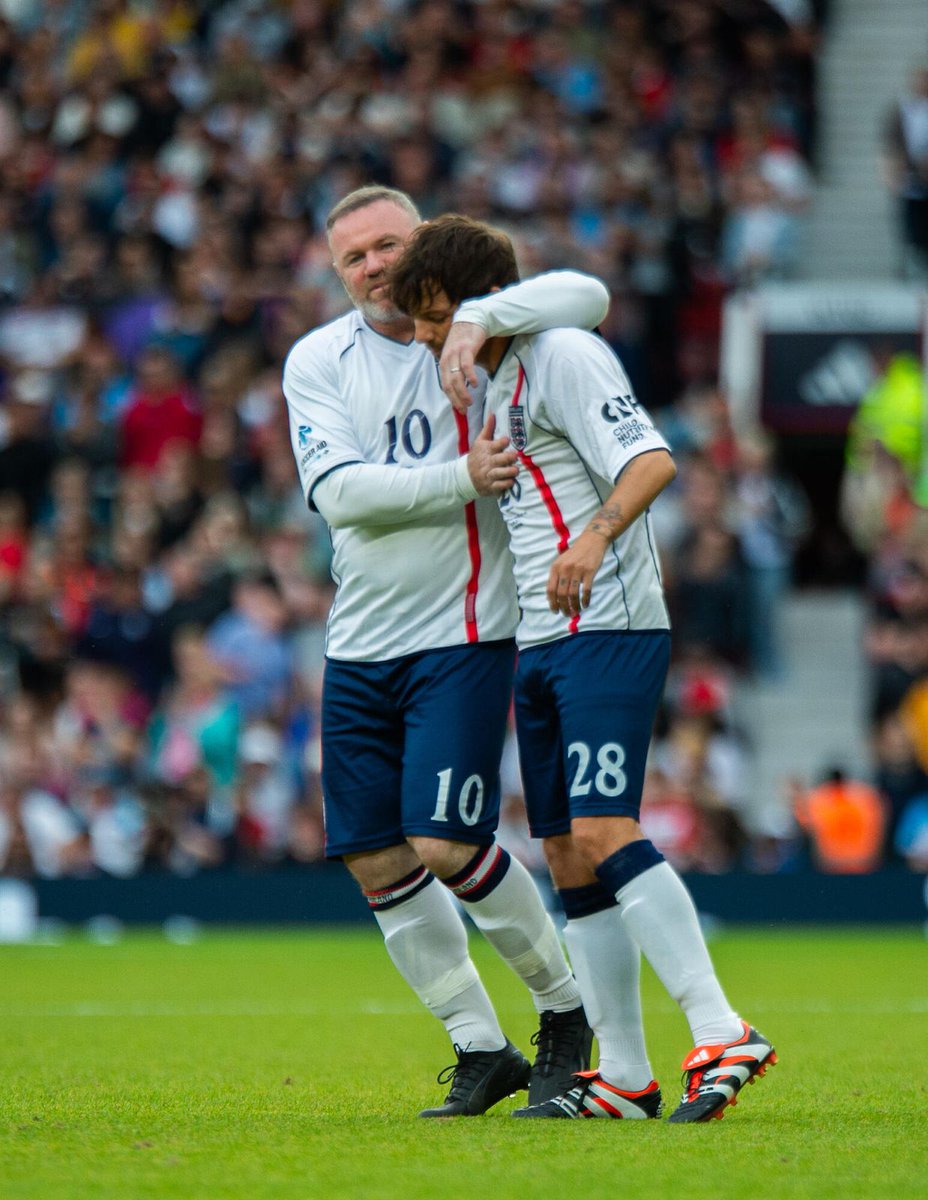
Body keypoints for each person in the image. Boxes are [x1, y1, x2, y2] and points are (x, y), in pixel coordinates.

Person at [389, 213, 777, 1124]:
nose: (424, 337)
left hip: (608, 625)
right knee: (564, 852)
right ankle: (628, 1078)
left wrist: (597, 537)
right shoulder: (498, 384)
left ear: (482, 305)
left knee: (604, 830)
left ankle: (721, 1027)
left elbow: (650, 460)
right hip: (543, 641)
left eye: (435, 314)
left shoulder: (562, 352)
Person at [282, 186, 611, 1118]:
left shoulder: (482, 332)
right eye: (355, 257)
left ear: (422, 241)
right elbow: (340, 493)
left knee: (447, 839)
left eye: (390, 245)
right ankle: (480, 1046)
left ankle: (567, 1009)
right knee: (377, 861)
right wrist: (462, 476)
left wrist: (488, 317)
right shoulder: (318, 360)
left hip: (466, 631)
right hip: (360, 642)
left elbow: (588, 297)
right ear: (336, 272)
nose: (376, 266)